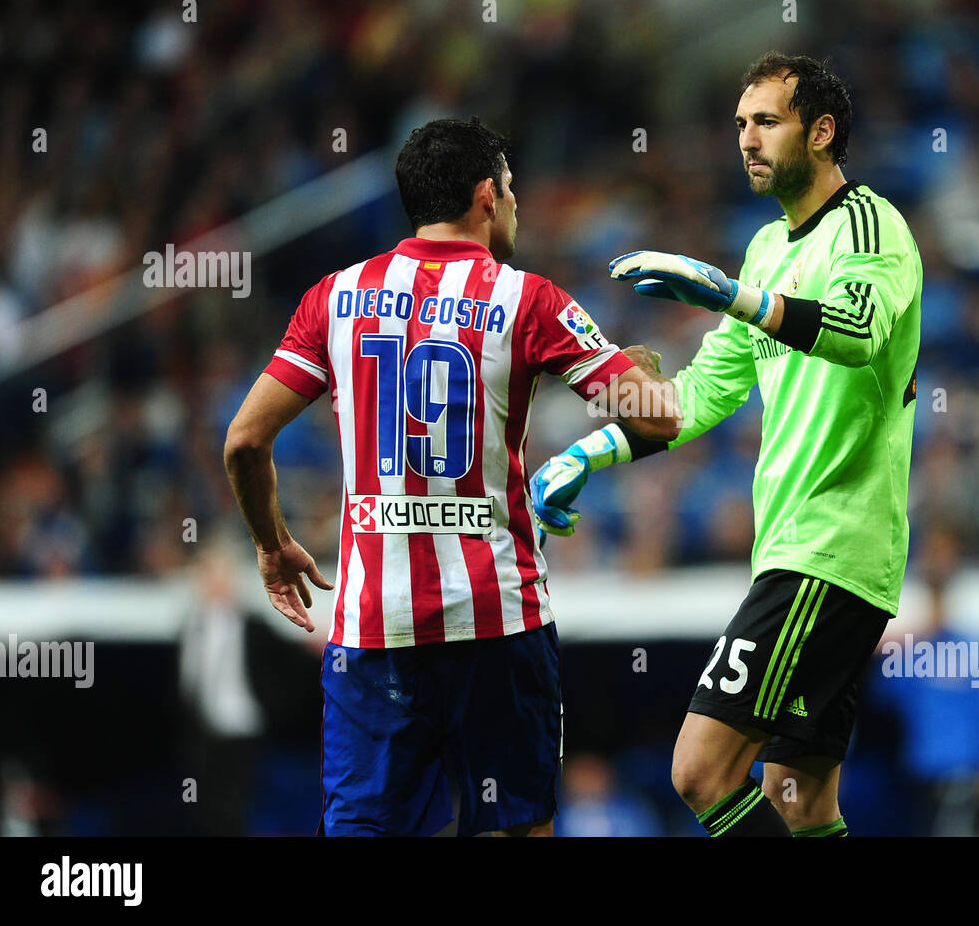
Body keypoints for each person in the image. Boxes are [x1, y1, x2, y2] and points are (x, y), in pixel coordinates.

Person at [224, 117, 678, 837]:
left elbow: (245, 440)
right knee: (514, 824)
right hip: (497, 620)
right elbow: (658, 419)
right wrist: (641, 367)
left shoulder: (335, 297)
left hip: (374, 627)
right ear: (485, 196)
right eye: (512, 189)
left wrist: (270, 542)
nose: (517, 204)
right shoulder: (530, 301)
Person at [533, 52, 922, 836]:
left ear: (822, 132)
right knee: (800, 798)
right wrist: (589, 453)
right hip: (805, 551)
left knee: (699, 769)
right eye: (740, 124)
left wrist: (726, 294)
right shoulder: (766, 250)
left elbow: (852, 333)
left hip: (829, 548)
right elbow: (701, 395)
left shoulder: (870, 225)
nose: (746, 139)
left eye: (767, 122)